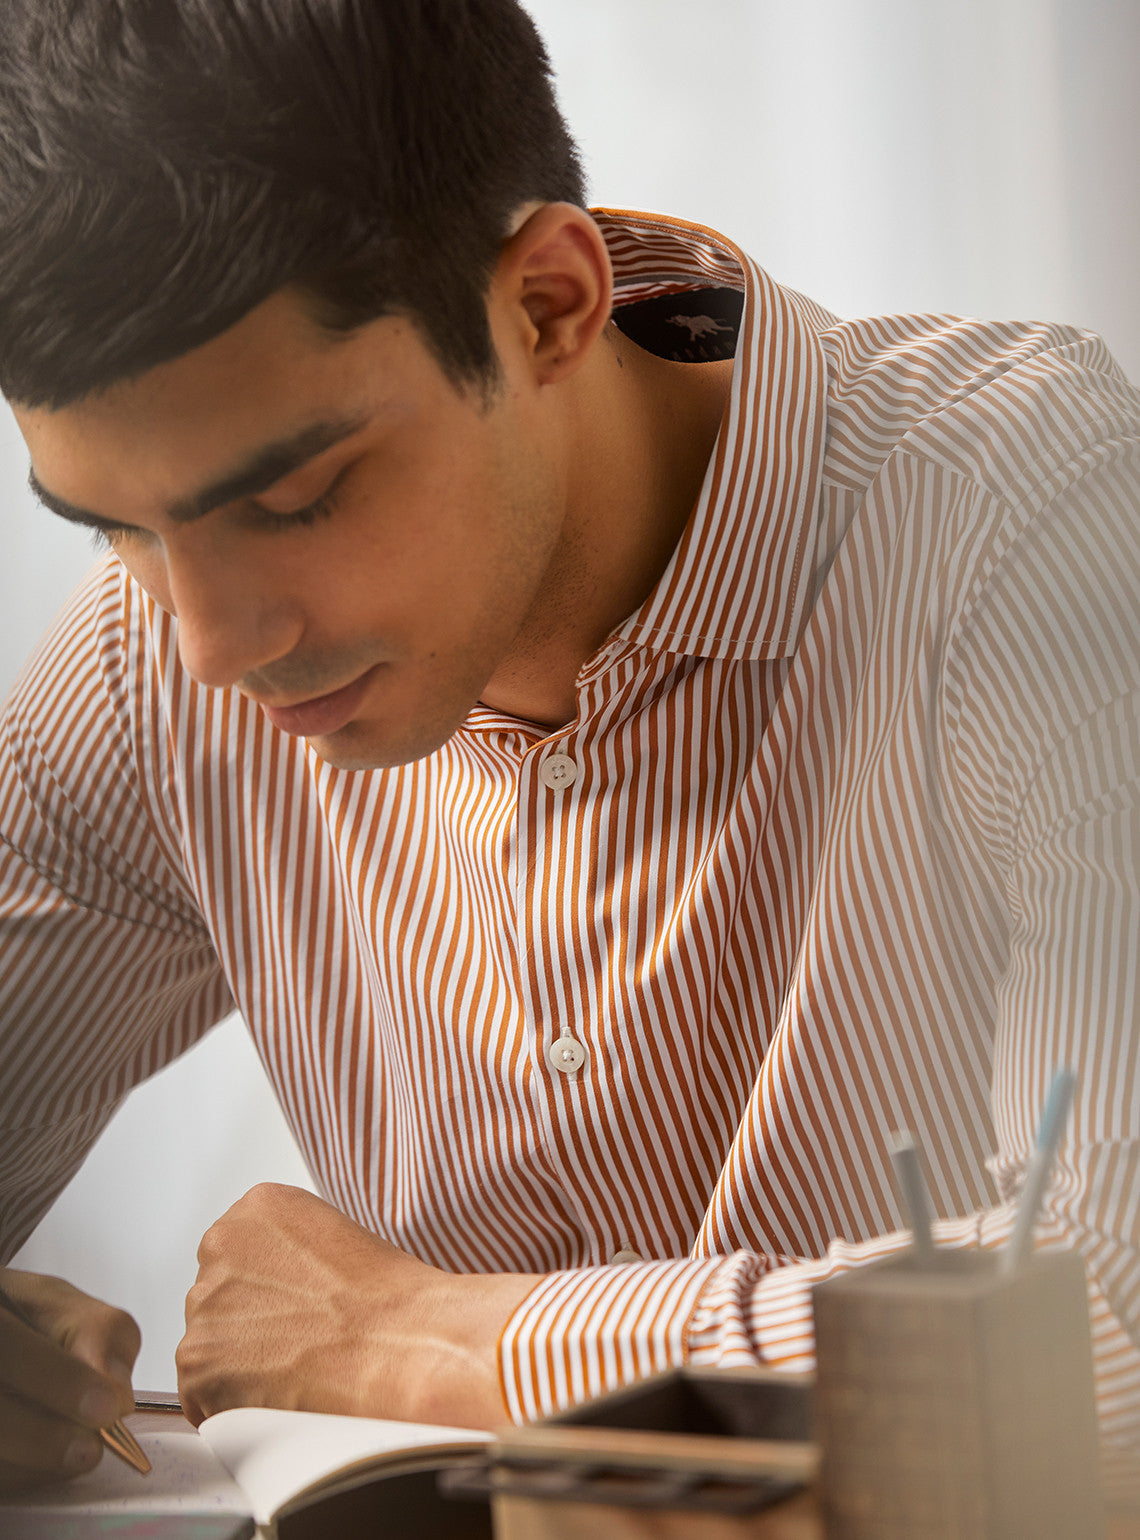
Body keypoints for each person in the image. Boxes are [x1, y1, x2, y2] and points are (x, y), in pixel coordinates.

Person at [0, 0, 1137, 1502]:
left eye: (296, 501)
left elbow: (1108, 1324)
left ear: (547, 303)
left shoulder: (1036, 522)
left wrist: (430, 1338)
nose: (214, 645)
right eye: (120, 530)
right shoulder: (152, 661)